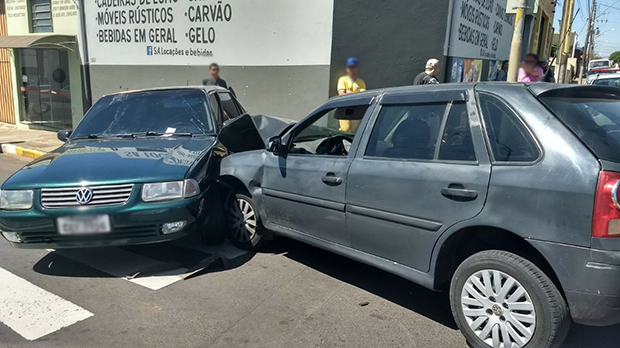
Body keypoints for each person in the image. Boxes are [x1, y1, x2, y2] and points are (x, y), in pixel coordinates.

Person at [337, 58, 366, 132]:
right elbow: (341, 94)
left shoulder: (360, 82)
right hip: (344, 108)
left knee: (353, 130)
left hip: (356, 109)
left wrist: (349, 93)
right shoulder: (342, 80)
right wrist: (356, 93)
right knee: (345, 129)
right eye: (350, 67)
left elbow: (363, 95)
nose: (352, 69)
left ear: (357, 68)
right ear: (347, 69)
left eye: (354, 67)